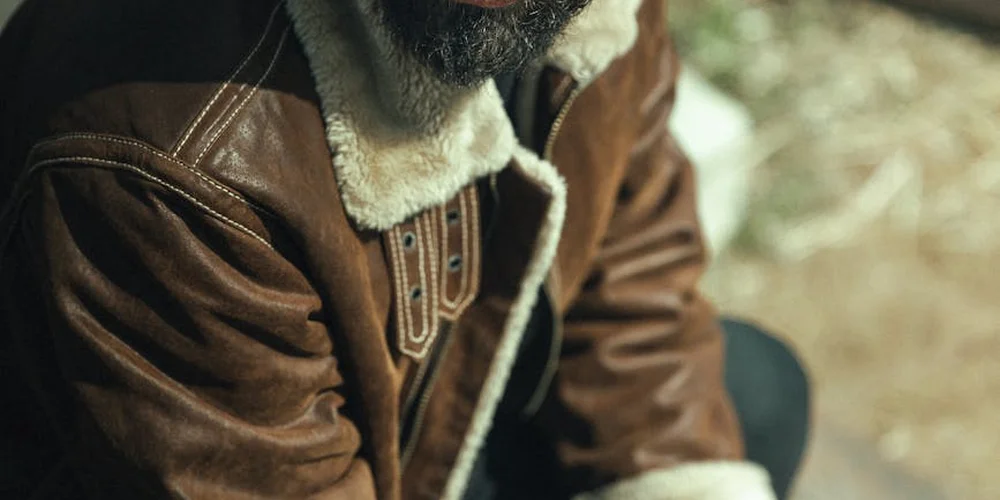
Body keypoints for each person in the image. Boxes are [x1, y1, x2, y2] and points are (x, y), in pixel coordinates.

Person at [0, 0, 809, 498]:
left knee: (757, 391)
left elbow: (631, 274)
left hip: (431, 434)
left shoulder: (606, 11)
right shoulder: (172, 157)